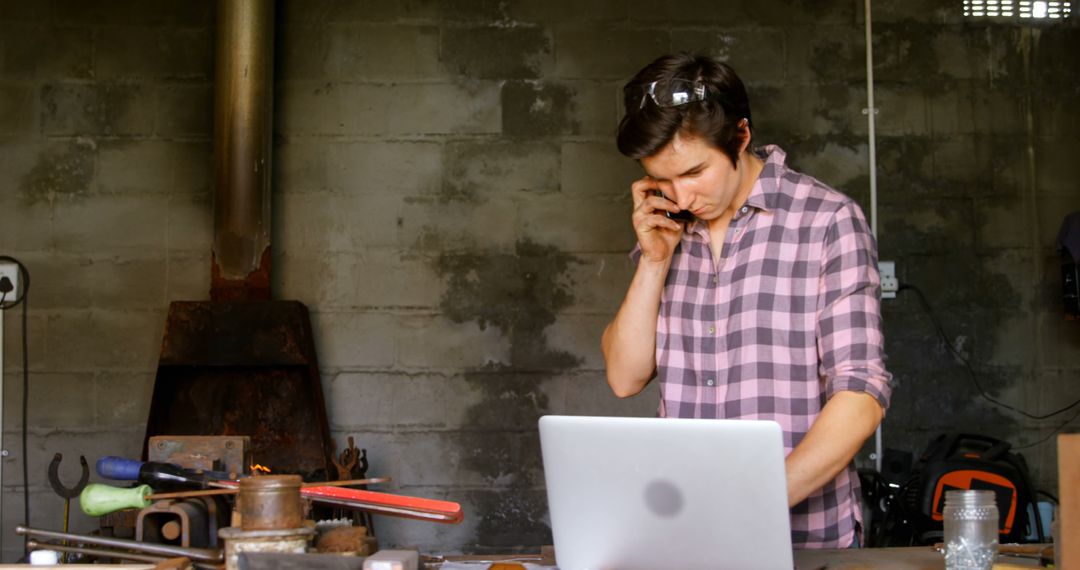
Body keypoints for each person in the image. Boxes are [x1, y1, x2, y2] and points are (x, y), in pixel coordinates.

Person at [600, 53, 892, 549]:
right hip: (684, 531)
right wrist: (653, 261)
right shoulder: (668, 228)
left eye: (694, 172)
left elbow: (860, 393)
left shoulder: (826, 221)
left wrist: (754, 501)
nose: (682, 196)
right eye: (662, 179)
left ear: (740, 137)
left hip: (801, 537)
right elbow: (625, 377)